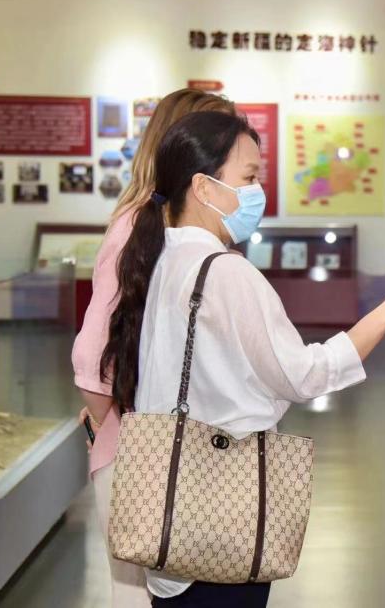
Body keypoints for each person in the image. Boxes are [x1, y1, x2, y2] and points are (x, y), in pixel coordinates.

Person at [102, 111, 385, 606]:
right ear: (203, 186)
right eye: (248, 177)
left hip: (171, 522)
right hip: (219, 527)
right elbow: (304, 376)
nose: (257, 192)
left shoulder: (163, 257)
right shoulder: (226, 273)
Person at [72, 89, 240, 608]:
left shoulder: (200, 229)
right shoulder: (137, 226)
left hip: (193, 450)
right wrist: (109, 424)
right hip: (139, 452)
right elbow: (93, 356)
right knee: (136, 595)